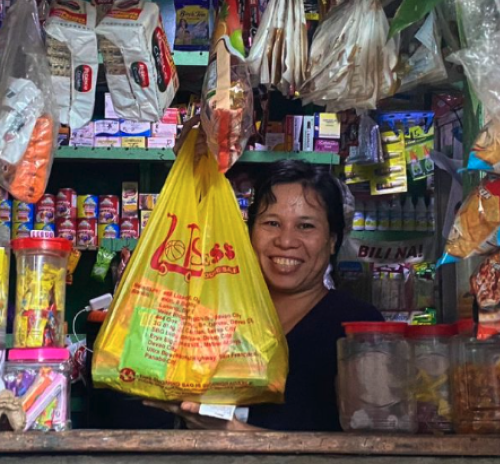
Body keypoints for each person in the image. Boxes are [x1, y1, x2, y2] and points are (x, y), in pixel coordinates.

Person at [90, 133, 383, 432]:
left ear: (332, 240)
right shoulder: (210, 315)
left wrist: (230, 432)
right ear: (249, 231)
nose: (285, 241)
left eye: (305, 226)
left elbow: (371, 450)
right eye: (271, 223)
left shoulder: (356, 326)